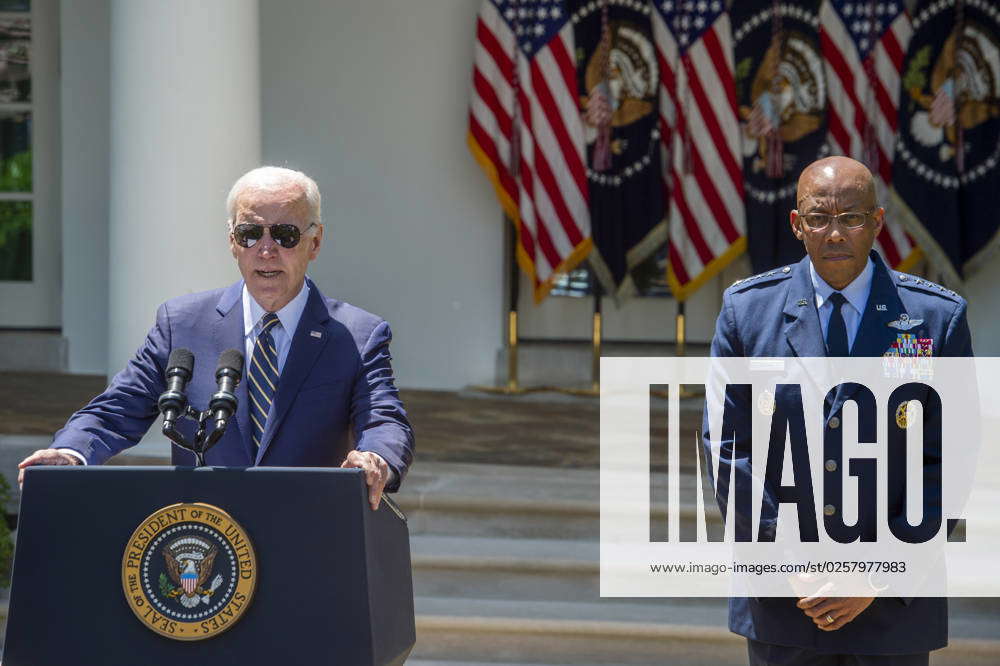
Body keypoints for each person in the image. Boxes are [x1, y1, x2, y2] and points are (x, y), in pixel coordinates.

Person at [17, 166, 413, 510]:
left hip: (308, 533)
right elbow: (118, 408)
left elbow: (384, 418)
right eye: (250, 233)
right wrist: (70, 452)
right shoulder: (183, 323)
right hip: (205, 538)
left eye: (286, 235)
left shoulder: (357, 335)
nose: (266, 250)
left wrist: (376, 457)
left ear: (316, 241)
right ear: (231, 241)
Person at [708, 156, 972, 665]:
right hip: (787, 602)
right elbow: (727, 450)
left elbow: (954, 460)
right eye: (819, 217)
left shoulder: (936, 320)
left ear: (876, 222)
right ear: (796, 223)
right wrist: (791, 563)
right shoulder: (748, 312)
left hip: (893, 607)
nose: (835, 233)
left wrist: (877, 573)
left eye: (851, 218)